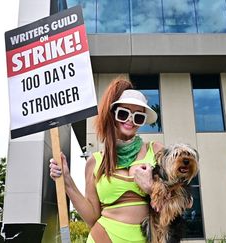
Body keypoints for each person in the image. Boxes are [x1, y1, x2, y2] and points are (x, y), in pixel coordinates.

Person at [50, 76, 164, 242]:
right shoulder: (95, 162)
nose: (130, 121)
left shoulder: (157, 151)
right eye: (124, 113)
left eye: (138, 117)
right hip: (103, 237)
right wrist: (66, 180)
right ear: (113, 115)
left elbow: (180, 204)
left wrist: (151, 188)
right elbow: (91, 217)